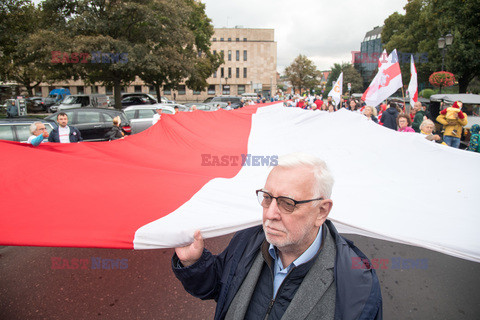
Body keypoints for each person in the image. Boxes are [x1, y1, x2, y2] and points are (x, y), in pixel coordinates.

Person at [172, 153, 383, 320]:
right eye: (267, 198)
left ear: (321, 211)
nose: (270, 214)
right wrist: (193, 262)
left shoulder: (356, 282)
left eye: (287, 203)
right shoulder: (247, 240)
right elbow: (222, 286)